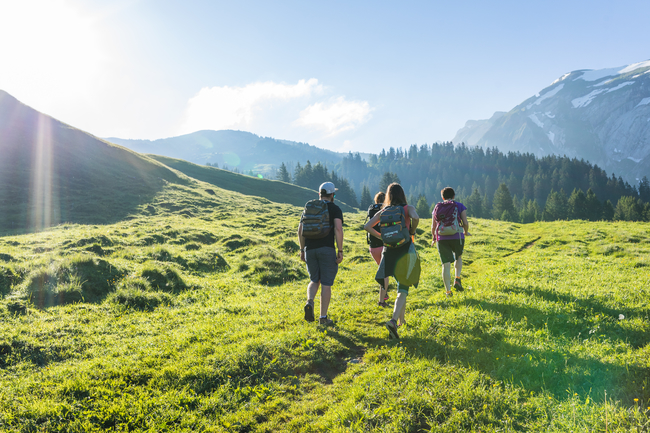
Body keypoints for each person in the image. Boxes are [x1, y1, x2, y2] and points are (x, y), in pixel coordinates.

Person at [364, 182, 419, 340]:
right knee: (403, 289)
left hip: (388, 252)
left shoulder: (384, 210)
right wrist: (412, 230)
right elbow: (416, 217)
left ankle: (402, 321)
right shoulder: (407, 209)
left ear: (389, 196)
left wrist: (382, 237)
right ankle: (394, 321)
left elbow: (367, 226)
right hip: (404, 251)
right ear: (402, 194)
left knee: (400, 289)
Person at [298, 181, 344, 326]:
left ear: (320, 194)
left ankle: (310, 301)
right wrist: (340, 250)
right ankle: (323, 318)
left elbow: (300, 230)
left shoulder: (310, 207)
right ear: (332, 195)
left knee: (314, 280)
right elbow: (338, 229)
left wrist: (302, 249)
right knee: (326, 284)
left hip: (310, 249)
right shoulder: (335, 209)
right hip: (326, 249)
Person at [431, 187, 470, 298]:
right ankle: (457, 278)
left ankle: (448, 291)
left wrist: (434, 237)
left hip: (442, 238)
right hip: (457, 236)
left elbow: (433, 226)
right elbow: (465, 222)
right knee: (458, 257)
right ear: (453, 196)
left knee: (445, 265)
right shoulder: (459, 205)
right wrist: (466, 232)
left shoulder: (437, 207)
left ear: (442, 197)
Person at [366, 191, 390, 307]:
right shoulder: (386, 209)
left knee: (383, 270)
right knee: (385, 273)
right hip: (383, 245)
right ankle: (382, 300)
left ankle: (384, 293)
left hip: (372, 247)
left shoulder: (371, 209)